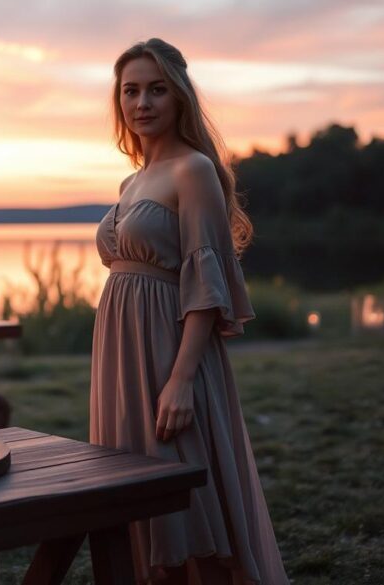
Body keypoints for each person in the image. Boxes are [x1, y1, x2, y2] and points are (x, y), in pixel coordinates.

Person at [90, 38, 289, 585]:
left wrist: (180, 381)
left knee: (188, 500)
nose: (142, 102)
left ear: (178, 97)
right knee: (137, 491)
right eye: (131, 91)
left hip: (170, 351)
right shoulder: (131, 182)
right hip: (121, 355)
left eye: (156, 89)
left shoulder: (193, 169)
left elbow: (207, 284)